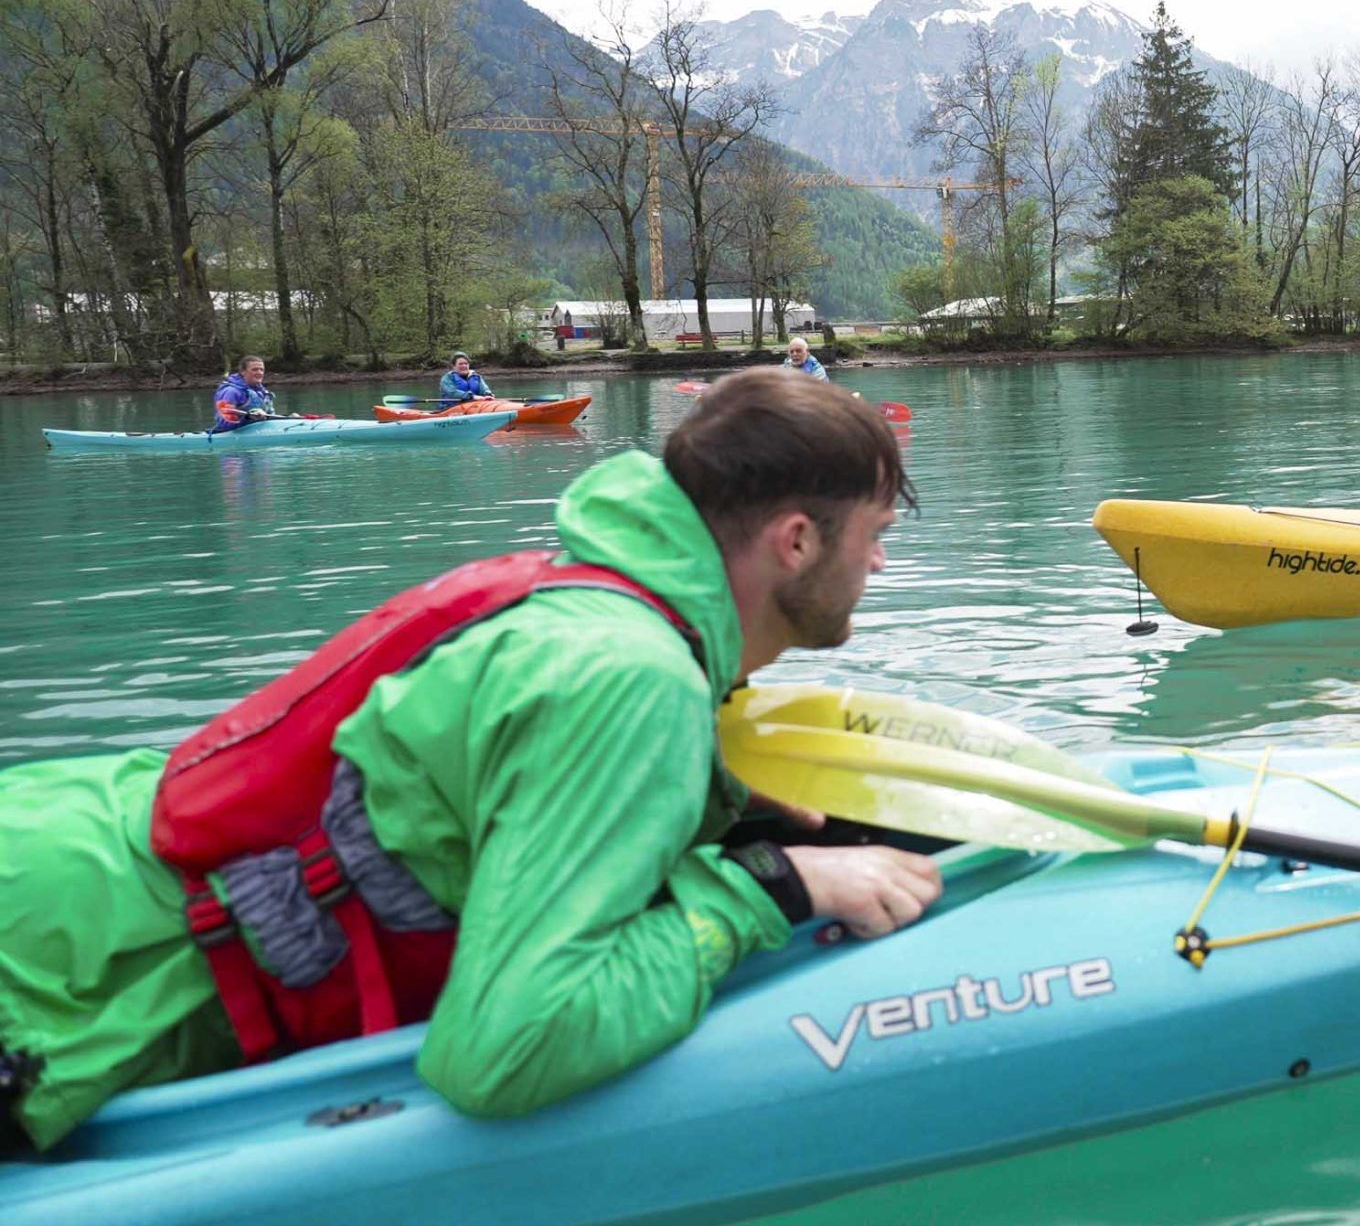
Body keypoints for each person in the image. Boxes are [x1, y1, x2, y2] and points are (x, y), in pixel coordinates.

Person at [0, 370, 939, 1154]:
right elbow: (504, 1050)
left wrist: (705, 797)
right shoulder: (631, 679)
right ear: (799, 540)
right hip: (62, 980)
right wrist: (771, 888)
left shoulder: (596, 596)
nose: (881, 567)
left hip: (58, 858)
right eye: (878, 536)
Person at [210, 356, 281, 432]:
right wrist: (249, 417)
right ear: (243, 372)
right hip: (233, 435)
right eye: (255, 370)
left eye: (261, 370)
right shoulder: (230, 392)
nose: (259, 373)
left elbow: (270, 417)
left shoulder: (262, 392)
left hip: (260, 431)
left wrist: (289, 418)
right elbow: (224, 423)